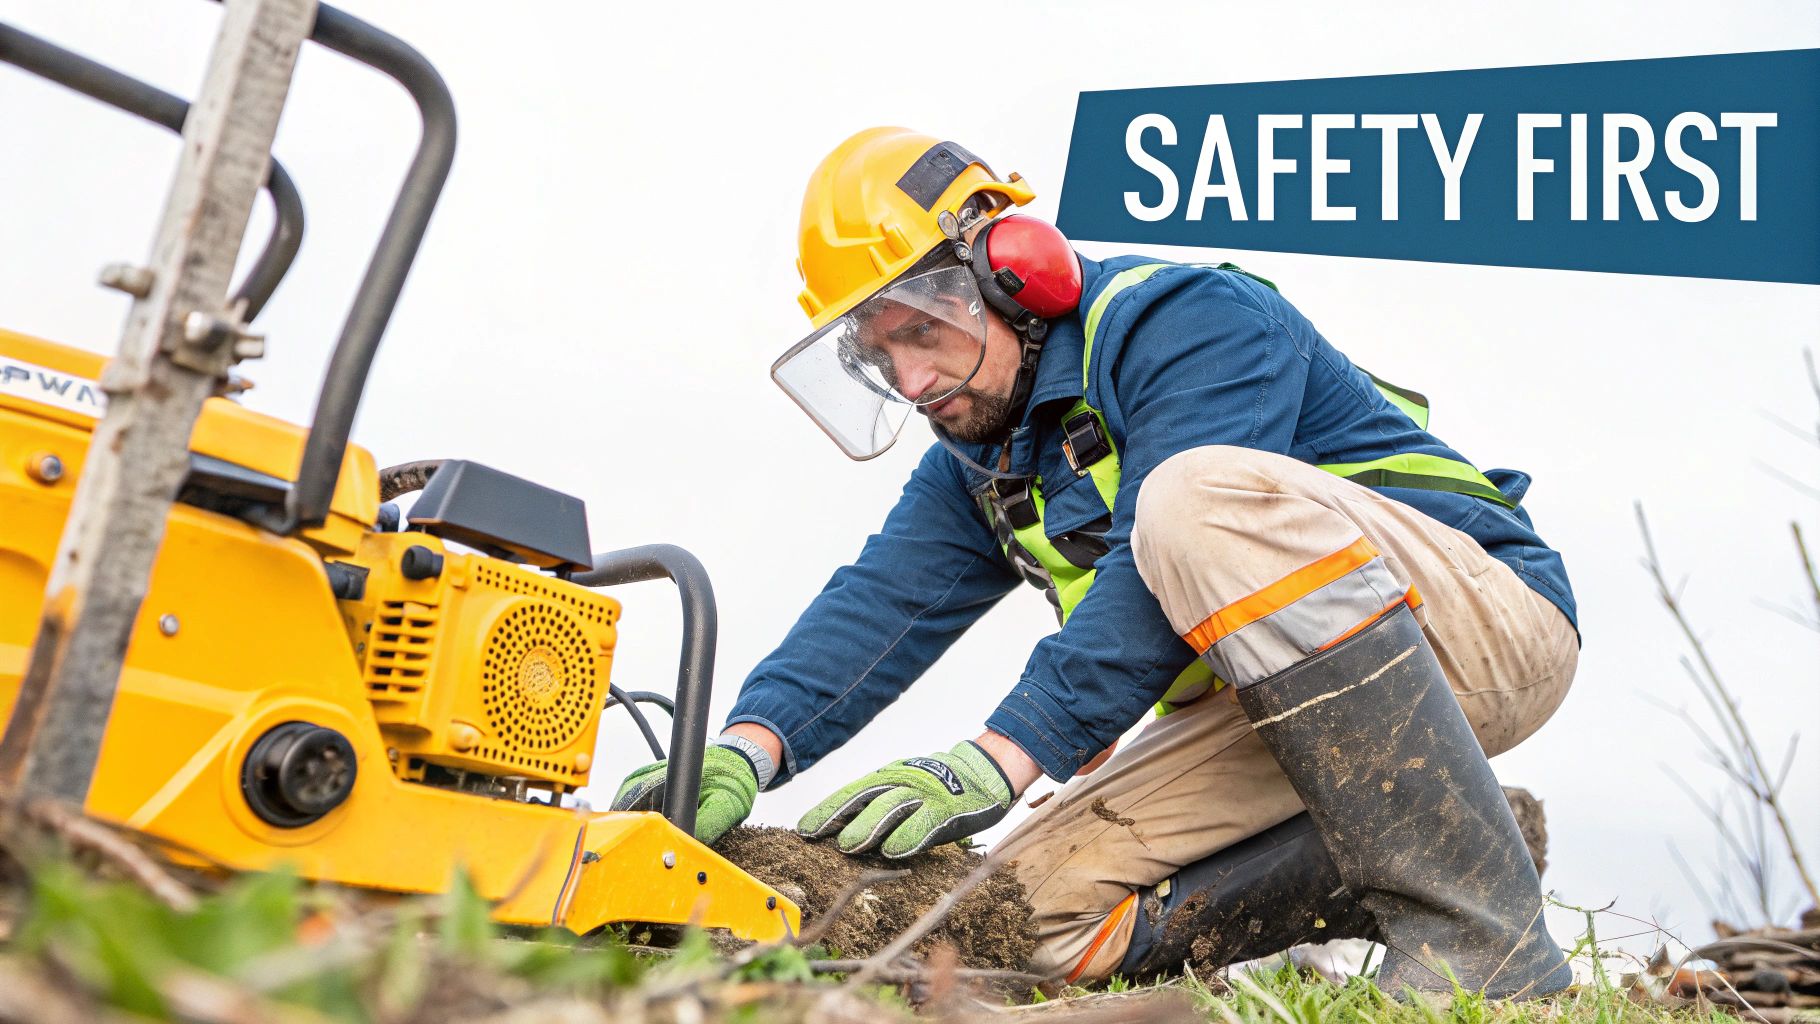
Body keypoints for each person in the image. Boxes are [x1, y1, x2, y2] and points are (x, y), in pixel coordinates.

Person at [612, 127, 1581, 996]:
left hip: (1474, 631)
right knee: (1011, 923)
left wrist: (1001, 753)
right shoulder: (978, 456)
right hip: (1285, 710)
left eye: (921, 329)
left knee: (1191, 497)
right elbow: (879, 602)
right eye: (878, 356)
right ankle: (1451, 834)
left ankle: (1482, 941)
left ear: (1007, 273)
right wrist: (747, 744)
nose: (911, 381)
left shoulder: (1191, 322)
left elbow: (1153, 561)